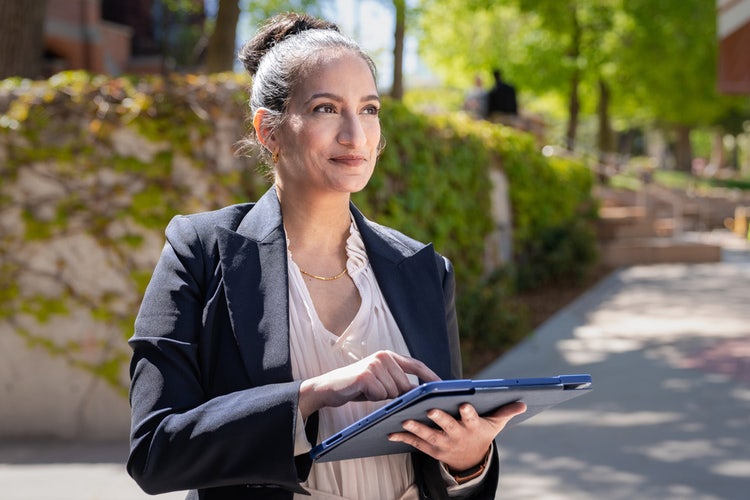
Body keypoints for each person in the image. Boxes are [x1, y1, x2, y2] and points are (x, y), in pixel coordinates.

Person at [127, 12, 526, 500]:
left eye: (370, 110)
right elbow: (154, 452)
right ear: (268, 131)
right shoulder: (200, 252)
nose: (356, 136)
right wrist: (312, 394)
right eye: (325, 109)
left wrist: (468, 460)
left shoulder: (423, 269)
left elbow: (444, 457)